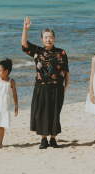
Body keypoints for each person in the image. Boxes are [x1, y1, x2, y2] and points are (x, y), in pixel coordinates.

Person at [21, 17, 69, 149]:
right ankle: (43, 140)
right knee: (42, 112)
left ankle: (53, 139)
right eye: (46, 37)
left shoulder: (61, 52)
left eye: (51, 37)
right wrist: (25, 29)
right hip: (41, 87)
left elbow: (66, 71)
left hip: (57, 87)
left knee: (55, 112)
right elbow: (24, 44)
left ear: (54, 39)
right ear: (41, 39)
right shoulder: (37, 51)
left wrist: (66, 86)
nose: (48, 39)